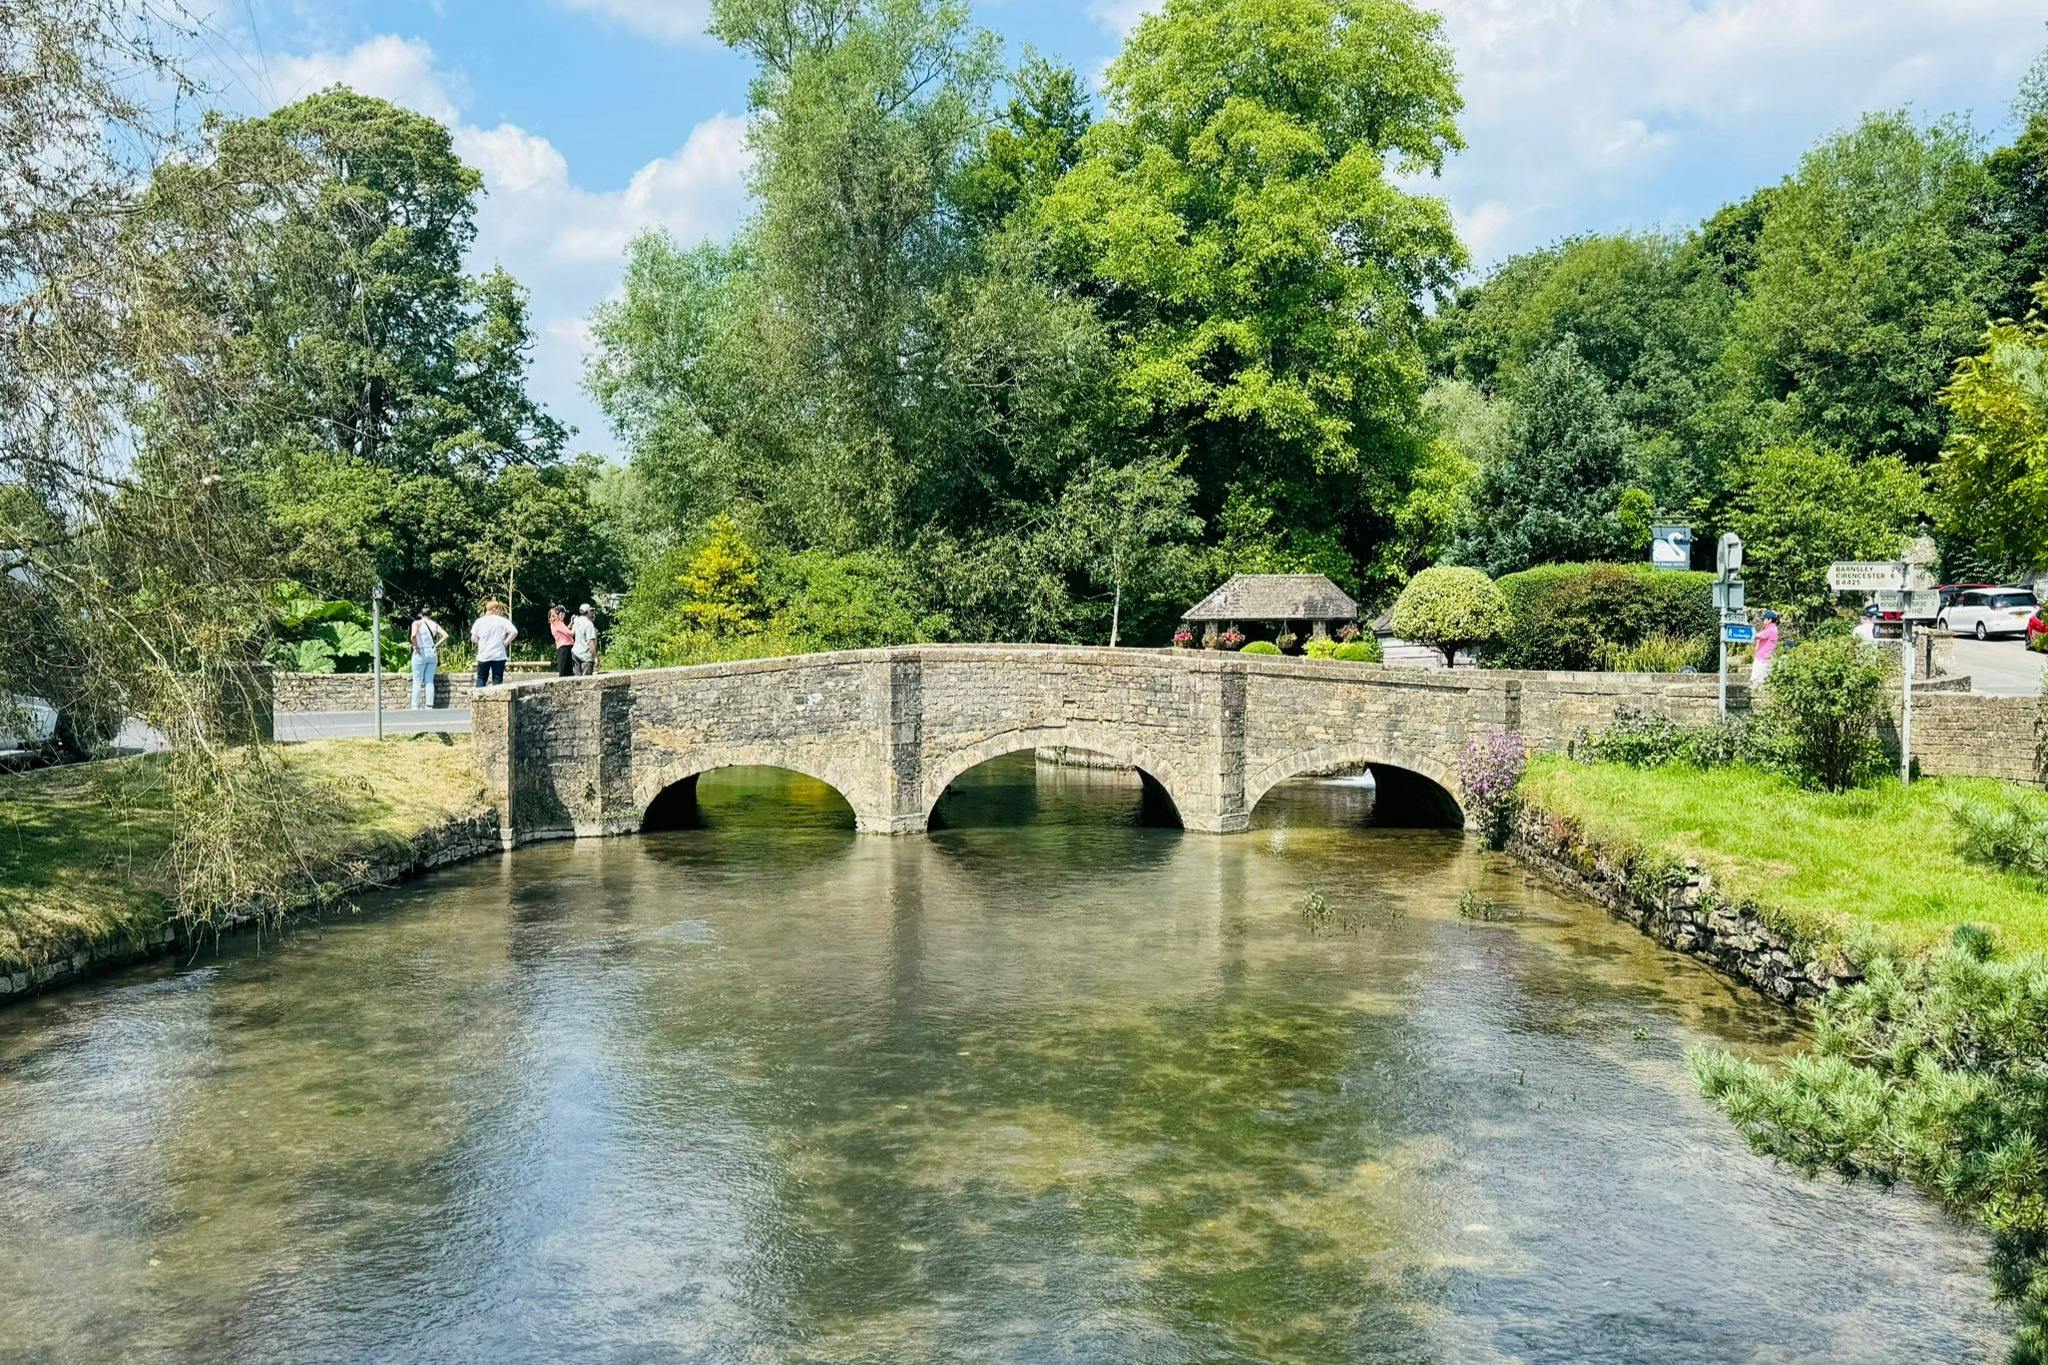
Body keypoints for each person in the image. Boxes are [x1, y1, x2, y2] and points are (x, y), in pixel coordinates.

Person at [471, 600, 518, 689]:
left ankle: (479, 700)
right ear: (494, 609)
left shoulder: (479, 621)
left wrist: (481, 642)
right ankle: (497, 701)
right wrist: (505, 642)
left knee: (481, 678)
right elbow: (514, 631)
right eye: (499, 609)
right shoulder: (502, 620)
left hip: (484, 655)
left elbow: (473, 638)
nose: (500, 612)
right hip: (499, 655)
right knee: (497, 680)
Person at [409, 608, 448, 710]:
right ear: (430, 615)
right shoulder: (433, 624)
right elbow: (445, 635)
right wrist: (436, 645)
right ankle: (429, 705)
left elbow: (413, 636)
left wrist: (415, 646)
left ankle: (415, 705)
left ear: (421, 614)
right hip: (432, 651)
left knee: (417, 680)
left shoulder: (416, 623)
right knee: (429, 680)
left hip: (420, 651)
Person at [1750, 610, 1781, 687]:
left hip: (1762, 660)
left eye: (1764, 619)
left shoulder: (1770, 630)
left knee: (1757, 682)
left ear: (1769, 620)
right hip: (1765, 659)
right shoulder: (1773, 629)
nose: (1763, 620)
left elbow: (1755, 636)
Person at [571, 602, 599, 677]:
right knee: (586, 681)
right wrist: (595, 657)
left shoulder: (577, 621)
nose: (592, 613)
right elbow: (591, 642)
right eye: (591, 611)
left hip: (576, 653)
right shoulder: (589, 624)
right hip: (586, 656)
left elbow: (572, 632)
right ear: (587, 612)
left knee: (577, 680)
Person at [548, 606, 575, 677]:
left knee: (565, 670)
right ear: (560, 614)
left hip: (562, 649)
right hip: (565, 649)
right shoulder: (558, 623)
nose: (564, 615)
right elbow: (570, 633)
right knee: (566, 671)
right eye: (563, 614)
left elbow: (564, 631)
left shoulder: (554, 624)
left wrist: (571, 623)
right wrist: (575, 625)